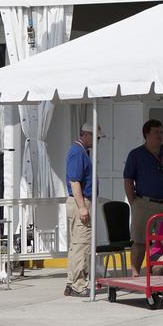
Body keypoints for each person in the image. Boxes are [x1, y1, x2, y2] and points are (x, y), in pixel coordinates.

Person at [124, 118, 163, 273]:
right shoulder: (136, 154)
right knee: (140, 241)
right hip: (144, 203)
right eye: (156, 132)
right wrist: (133, 201)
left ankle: (158, 272)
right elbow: (128, 179)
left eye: (161, 132)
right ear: (146, 135)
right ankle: (135, 273)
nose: (160, 135)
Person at [64, 122, 95, 297]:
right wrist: (82, 206)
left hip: (78, 201)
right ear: (86, 135)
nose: (97, 141)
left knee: (76, 244)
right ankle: (78, 284)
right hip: (80, 202)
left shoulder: (81, 152)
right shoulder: (77, 152)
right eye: (96, 138)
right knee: (81, 244)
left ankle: (71, 282)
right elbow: (75, 181)